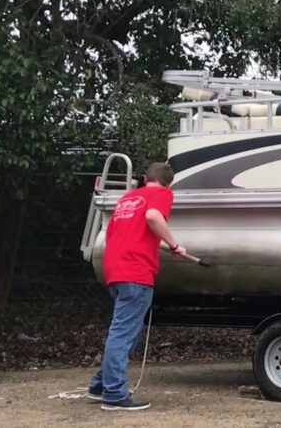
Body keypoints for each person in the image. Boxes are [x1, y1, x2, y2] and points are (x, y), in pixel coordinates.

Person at [85, 162, 186, 411]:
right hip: (136, 272)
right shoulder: (162, 194)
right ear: (170, 182)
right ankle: (115, 395)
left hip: (115, 268)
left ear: (144, 178)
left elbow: (123, 233)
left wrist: (165, 246)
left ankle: (101, 385)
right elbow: (153, 217)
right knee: (123, 333)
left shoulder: (129, 198)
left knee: (129, 331)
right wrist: (174, 244)